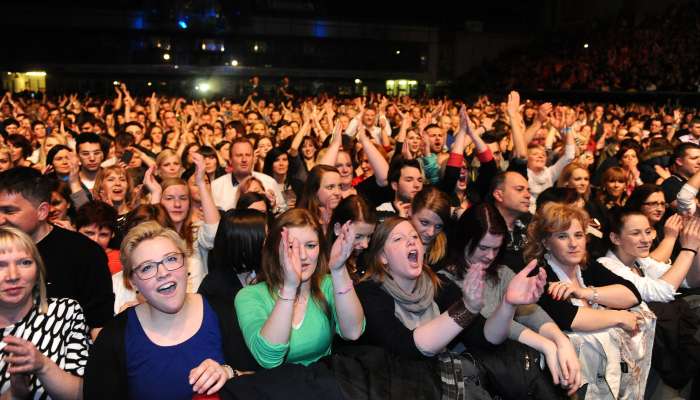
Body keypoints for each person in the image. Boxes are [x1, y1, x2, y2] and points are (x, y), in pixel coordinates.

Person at [354, 216, 547, 396]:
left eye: (414, 236)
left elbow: (486, 337)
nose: (412, 241)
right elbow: (408, 348)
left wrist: (508, 303)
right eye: (398, 239)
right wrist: (466, 308)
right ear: (382, 257)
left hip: (441, 385)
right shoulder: (369, 292)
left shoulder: (438, 286)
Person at [84, 221, 259, 399]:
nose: (163, 273)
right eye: (147, 268)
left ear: (186, 264)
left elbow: (268, 383)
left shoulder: (225, 313)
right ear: (132, 281)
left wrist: (230, 373)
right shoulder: (114, 337)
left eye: (171, 259)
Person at [439, 203, 582, 396]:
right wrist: (545, 344)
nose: (490, 256)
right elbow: (487, 323)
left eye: (496, 248)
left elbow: (531, 312)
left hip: (512, 371)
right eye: (483, 247)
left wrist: (560, 341)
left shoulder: (500, 272)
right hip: (479, 378)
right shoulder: (444, 281)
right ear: (465, 239)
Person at [524, 202, 656, 399]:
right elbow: (571, 318)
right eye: (562, 236)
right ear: (546, 243)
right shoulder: (540, 275)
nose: (573, 243)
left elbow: (632, 294)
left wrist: (584, 292)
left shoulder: (587, 268)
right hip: (569, 382)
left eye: (578, 235)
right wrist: (618, 316)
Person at [234, 208, 364, 368]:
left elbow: (353, 332)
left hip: (323, 382)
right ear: (275, 250)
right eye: (291, 247)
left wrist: (338, 270)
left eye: (310, 245)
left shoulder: (328, 284)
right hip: (277, 387)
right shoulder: (249, 296)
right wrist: (289, 288)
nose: (302, 256)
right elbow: (267, 358)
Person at [0, 167, 114, 339]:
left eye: (9, 211)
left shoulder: (85, 253)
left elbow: (99, 325)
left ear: (42, 211)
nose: (0, 219)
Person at [598, 209, 700, 398]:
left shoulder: (641, 262)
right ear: (615, 238)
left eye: (648, 231)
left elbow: (691, 280)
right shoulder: (606, 266)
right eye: (636, 233)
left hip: (659, 349)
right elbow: (662, 292)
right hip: (635, 362)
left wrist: (696, 245)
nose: (646, 239)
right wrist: (688, 249)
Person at [0, 226, 89, 400]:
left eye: (24, 262)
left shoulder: (65, 312)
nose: (13, 275)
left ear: (38, 269)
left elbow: (83, 394)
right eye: (0, 265)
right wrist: (15, 394)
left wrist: (43, 366)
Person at [199, 208, 268, 299]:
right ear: (244, 245)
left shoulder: (266, 271)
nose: (269, 242)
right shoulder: (214, 287)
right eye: (265, 238)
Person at [210, 138, 285, 212]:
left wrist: (273, 207)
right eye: (239, 155)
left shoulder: (269, 182)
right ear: (230, 160)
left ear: (253, 158)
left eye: (248, 155)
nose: (244, 160)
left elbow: (282, 211)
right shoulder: (216, 186)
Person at [328, 195, 377, 282]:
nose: (365, 245)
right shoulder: (321, 263)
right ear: (338, 229)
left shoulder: (372, 255)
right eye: (357, 237)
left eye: (369, 236)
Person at [297, 165, 342, 230]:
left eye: (340, 186)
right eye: (330, 187)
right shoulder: (302, 222)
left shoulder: (344, 216)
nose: (337, 192)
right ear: (314, 190)